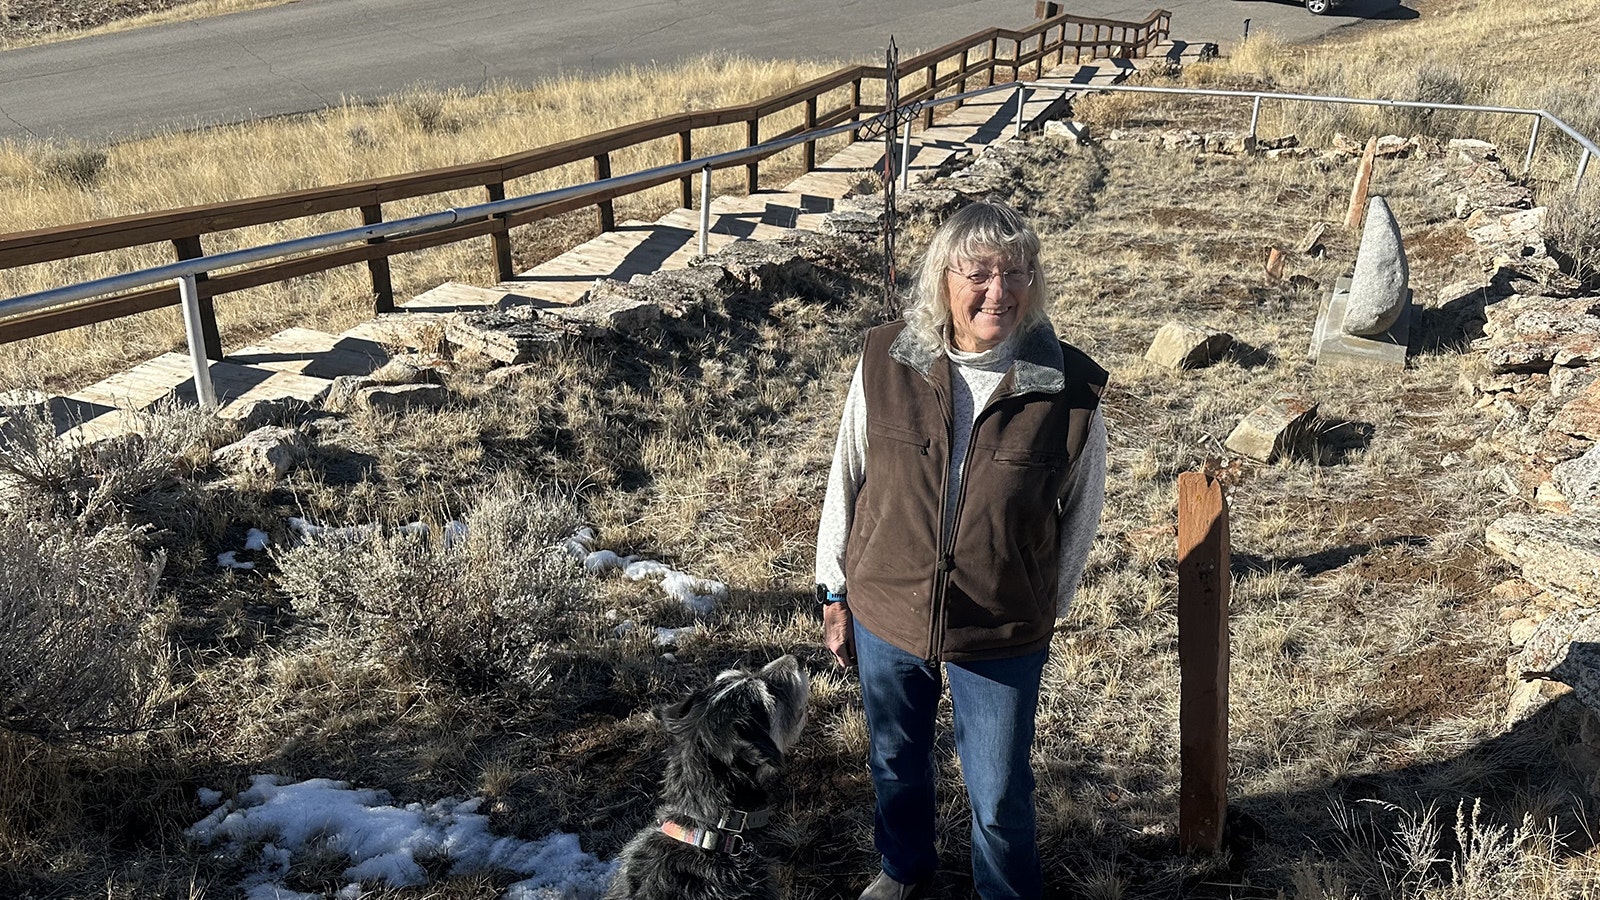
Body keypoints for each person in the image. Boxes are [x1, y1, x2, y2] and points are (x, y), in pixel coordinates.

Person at [814, 200, 1108, 900]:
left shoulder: (1067, 388)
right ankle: (903, 869)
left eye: (1016, 273)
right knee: (894, 761)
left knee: (1001, 793)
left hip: (1002, 628)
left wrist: (1039, 605)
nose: (998, 292)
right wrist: (834, 590)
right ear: (943, 279)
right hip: (888, 604)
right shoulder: (887, 358)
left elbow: (1082, 514)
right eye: (978, 272)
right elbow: (846, 473)